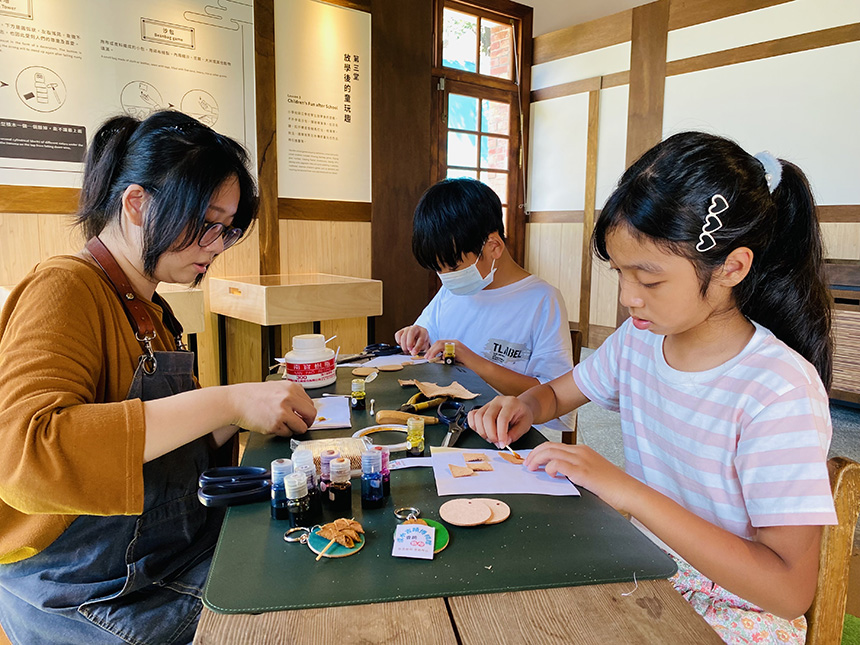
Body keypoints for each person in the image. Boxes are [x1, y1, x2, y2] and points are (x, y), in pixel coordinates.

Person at [468, 132, 837, 644]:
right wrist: (523, 405)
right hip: (648, 568)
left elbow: (788, 591)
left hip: (737, 613)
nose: (628, 299)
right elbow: (554, 395)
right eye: (620, 273)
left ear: (732, 267)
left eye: (650, 280)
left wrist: (629, 492)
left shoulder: (778, 390)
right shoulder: (640, 343)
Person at [0, 110, 317, 644]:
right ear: (137, 204)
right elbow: (27, 452)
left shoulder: (150, 309)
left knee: (302, 564)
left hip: (165, 554)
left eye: (229, 229)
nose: (218, 246)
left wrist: (254, 413)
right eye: (207, 223)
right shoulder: (64, 287)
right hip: (86, 588)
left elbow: (166, 447)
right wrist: (229, 403)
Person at [394, 178, 574, 435]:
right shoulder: (453, 289)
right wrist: (418, 333)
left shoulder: (542, 301)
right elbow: (427, 333)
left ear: (493, 246)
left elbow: (555, 394)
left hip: (505, 436)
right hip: (444, 419)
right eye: (438, 269)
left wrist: (472, 360)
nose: (445, 277)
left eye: (453, 267)